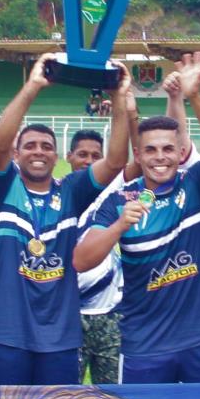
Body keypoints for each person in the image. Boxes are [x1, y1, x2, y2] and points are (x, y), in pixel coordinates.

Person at [75, 52, 200, 383]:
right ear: (139, 154)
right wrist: (119, 226)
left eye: (167, 149)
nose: (160, 157)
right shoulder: (119, 201)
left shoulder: (196, 186)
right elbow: (81, 260)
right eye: (150, 150)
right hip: (142, 348)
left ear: (179, 153)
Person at [0, 62, 131, 384]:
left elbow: (116, 160)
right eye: (30, 146)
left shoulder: (72, 191)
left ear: (57, 155)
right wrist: (32, 87)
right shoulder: (5, 187)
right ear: (17, 154)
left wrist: (118, 98)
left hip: (60, 338)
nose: (39, 152)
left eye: (46, 146)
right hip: (9, 334)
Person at [66, 130, 124, 385]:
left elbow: (123, 161)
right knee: (67, 395)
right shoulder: (57, 194)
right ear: (68, 157)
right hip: (68, 314)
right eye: (82, 154)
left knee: (114, 396)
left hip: (110, 314)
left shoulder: (112, 194)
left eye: (95, 156)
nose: (88, 161)